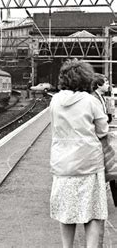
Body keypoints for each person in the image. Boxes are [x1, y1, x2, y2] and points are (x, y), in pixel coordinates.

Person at [50, 59, 109, 247]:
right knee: (91, 212)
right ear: (86, 79)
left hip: (62, 164)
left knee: (67, 213)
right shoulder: (90, 101)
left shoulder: (55, 100)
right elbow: (103, 130)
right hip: (89, 164)